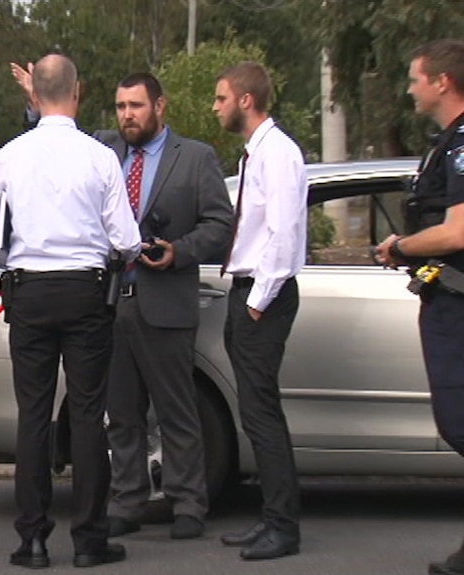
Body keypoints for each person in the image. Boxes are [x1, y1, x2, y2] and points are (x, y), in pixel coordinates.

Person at [11, 65, 233, 540]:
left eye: (136, 106)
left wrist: (180, 251)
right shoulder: (103, 149)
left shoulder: (194, 158)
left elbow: (220, 226)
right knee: (120, 412)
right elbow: (50, 142)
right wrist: (38, 99)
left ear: (159, 106)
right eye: (120, 107)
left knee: (177, 410)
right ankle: (128, 499)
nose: (128, 116)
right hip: (106, 301)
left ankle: (188, 502)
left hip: (165, 298)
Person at [0, 54, 141, 569]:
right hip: (86, 290)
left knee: (34, 415)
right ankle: (89, 539)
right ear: (78, 91)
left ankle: (32, 538)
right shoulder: (98, 156)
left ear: (34, 95)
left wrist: (20, 260)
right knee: (89, 415)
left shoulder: (10, 155)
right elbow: (127, 240)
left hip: (28, 289)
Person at [374, 39, 464, 575]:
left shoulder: (462, 144)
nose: (410, 87)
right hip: (445, 296)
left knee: (457, 419)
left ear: (443, 82)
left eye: (416, 78)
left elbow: (458, 230)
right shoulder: (447, 143)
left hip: (456, 301)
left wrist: (401, 247)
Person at [212, 61, 307, 561]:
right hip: (246, 290)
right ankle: (271, 517)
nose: (216, 106)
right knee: (253, 411)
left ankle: (283, 527)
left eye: (221, 97)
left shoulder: (279, 154)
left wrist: (255, 302)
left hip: (262, 295)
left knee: (262, 412)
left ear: (246, 99)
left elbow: (284, 233)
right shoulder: (256, 154)